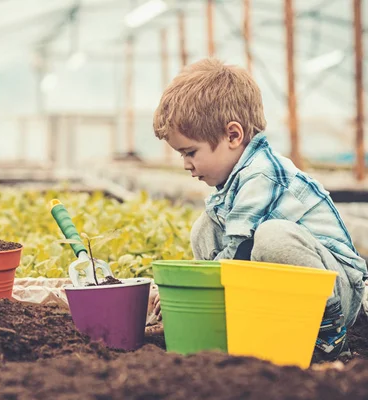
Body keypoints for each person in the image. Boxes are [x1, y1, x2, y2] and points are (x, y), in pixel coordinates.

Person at [151, 58, 367, 362]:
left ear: (233, 135)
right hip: (297, 292)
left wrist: (188, 285)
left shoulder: (261, 175)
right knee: (205, 226)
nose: (186, 164)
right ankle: (217, 317)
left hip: (338, 291)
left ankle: (329, 338)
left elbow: (238, 249)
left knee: (272, 236)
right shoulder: (233, 180)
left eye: (191, 152)